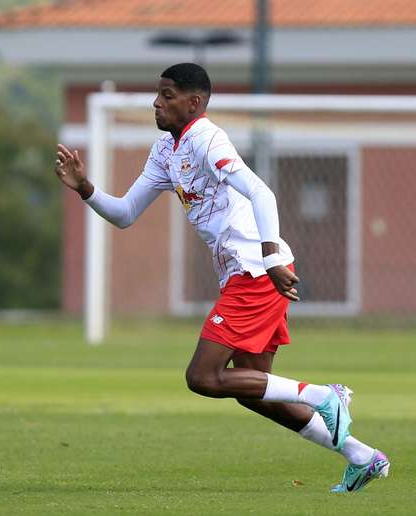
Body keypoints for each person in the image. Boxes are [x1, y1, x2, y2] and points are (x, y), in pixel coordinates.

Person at [53, 63, 389, 492]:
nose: (157, 102)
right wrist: (85, 189)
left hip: (256, 271)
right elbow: (125, 214)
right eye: (158, 94)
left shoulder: (208, 139)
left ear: (193, 103)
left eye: (167, 95)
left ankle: (324, 396)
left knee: (203, 377)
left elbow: (261, 192)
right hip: (243, 274)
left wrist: (270, 257)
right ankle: (362, 456)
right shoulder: (165, 151)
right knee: (256, 393)